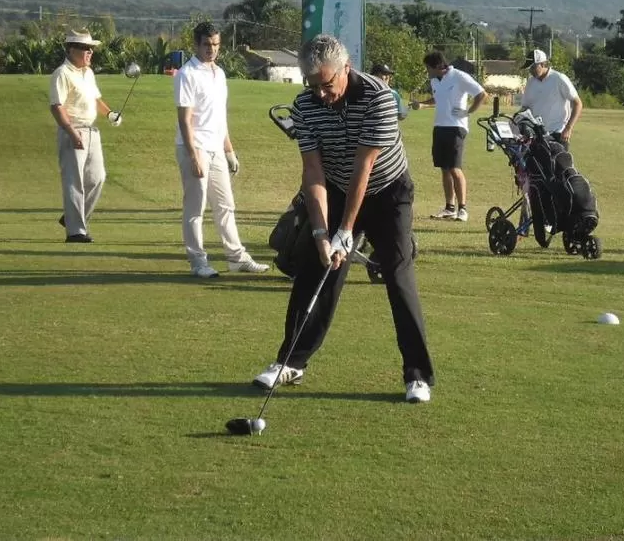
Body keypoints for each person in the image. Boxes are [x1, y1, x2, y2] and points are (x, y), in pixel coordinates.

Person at [251, 34, 435, 403]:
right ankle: (291, 362)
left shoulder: (379, 97)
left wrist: (346, 231)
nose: (320, 93)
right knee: (314, 270)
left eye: (327, 83)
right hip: (334, 186)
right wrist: (322, 233)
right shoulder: (305, 105)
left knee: (397, 275)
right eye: (312, 84)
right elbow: (313, 172)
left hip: (387, 192)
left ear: (345, 69)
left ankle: (418, 375)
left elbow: (363, 169)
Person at [175, 21, 269, 278]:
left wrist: (229, 151)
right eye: (206, 44)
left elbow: (219, 118)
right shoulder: (187, 74)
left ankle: (236, 257)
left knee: (225, 205)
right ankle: (198, 262)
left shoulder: (220, 74)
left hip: (216, 147)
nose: (212, 49)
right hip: (194, 148)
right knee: (195, 208)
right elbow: (185, 119)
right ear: (196, 45)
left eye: (215, 44)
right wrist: (194, 156)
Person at [49, 28, 122, 243]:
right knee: (74, 181)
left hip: (91, 131)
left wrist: (109, 114)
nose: (90, 52)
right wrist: (72, 133)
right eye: (85, 49)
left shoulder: (88, 73)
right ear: (72, 49)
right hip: (72, 130)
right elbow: (56, 107)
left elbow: (95, 99)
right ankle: (75, 232)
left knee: (98, 178)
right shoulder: (62, 73)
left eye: (91, 49)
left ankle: (72, 218)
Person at [410, 51, 486, 222]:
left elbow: (481, 94)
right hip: (440, 127)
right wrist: (422, 105)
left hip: (456, 128)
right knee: (444, 169)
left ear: (438, 66)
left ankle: (463, 209)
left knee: (454, 168)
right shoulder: (434, 80)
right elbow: (438, 98)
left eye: (428, 68)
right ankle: (449, 208)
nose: (427, 71)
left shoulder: (459, 76)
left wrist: (468, 111)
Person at [520, 48, 583, 148]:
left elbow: (577, 103)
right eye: (530, 68)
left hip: (558, 134)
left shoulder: (559, 79)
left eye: (533, 67)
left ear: (543, 64)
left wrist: (568, 128)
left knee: (558, 163)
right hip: (537, 135)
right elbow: (525, 108)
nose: (531, 71)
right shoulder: (531, 82)